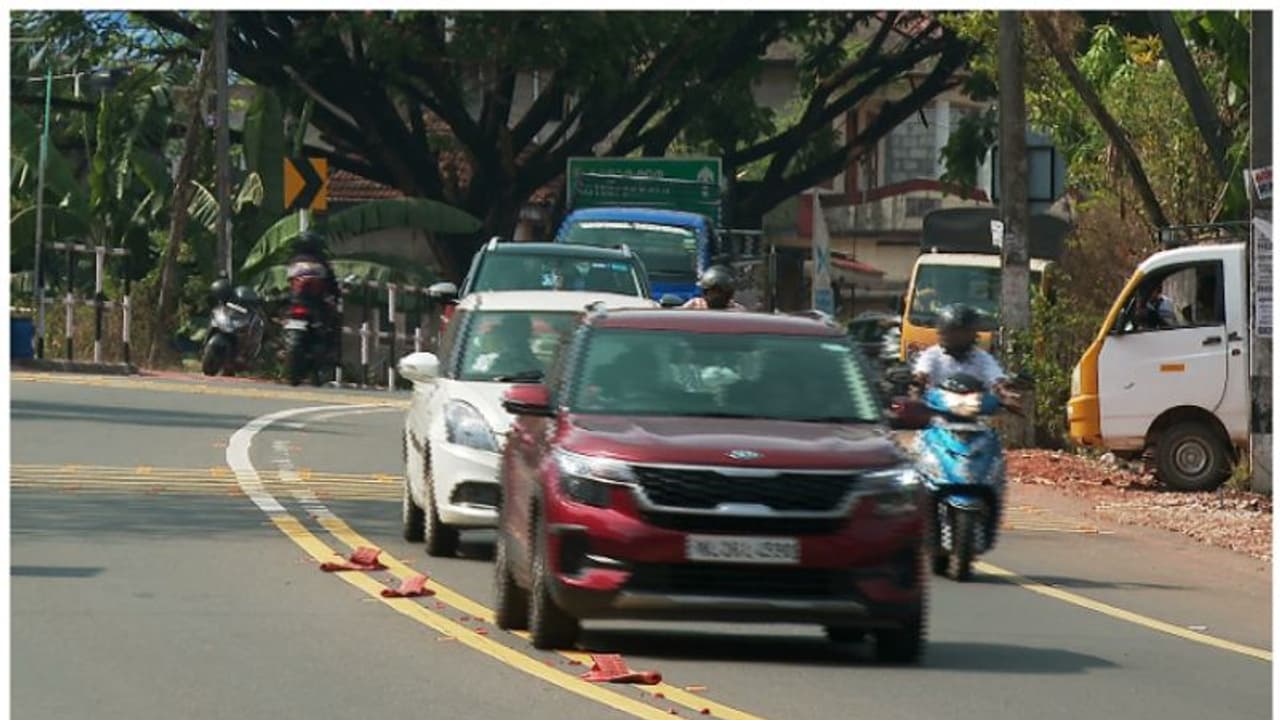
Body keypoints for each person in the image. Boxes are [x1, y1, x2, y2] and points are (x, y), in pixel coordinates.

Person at [911, 303, 1019, 409]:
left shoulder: (981, 357)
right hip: (939, 409)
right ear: (943, 333)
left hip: (975, 409)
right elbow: (922, 374)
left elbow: (996, 378)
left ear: (973, 334)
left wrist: (1005, 391)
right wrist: (916, 392)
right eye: (953, 333)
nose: (959, 338)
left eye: (964, 333)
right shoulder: (932, 354)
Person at [286, 231, 342, 358]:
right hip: (314, 303)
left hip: (296, 301)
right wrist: (337, 295)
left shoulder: (294, 262)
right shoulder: (321, 263)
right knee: (332, 320)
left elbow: (288, 282)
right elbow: (331, 283)